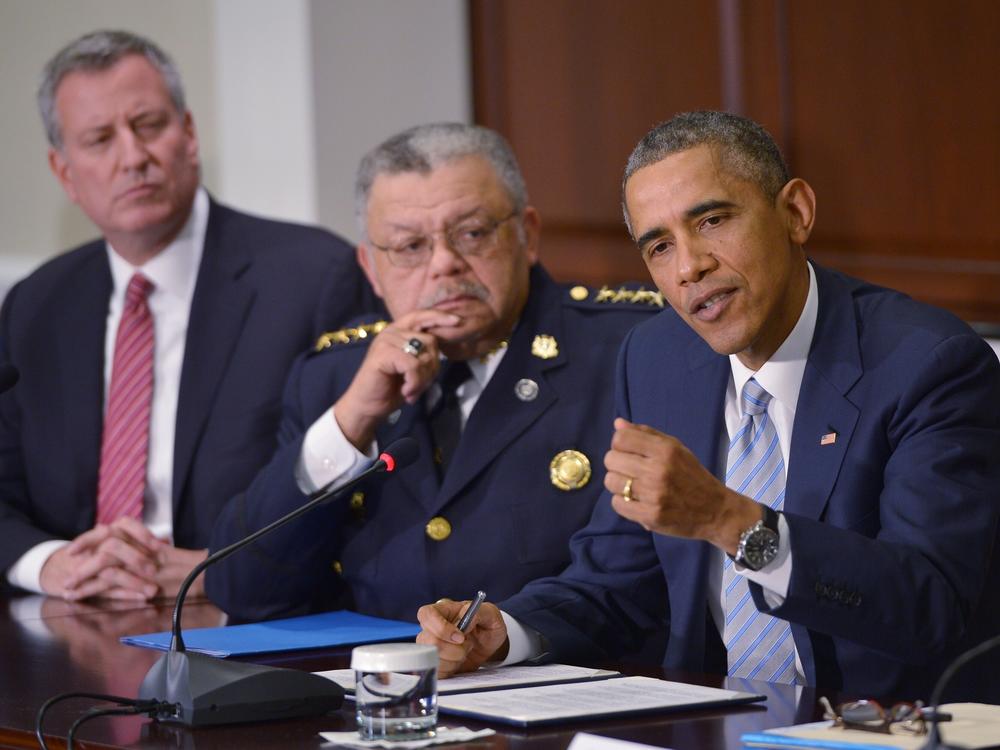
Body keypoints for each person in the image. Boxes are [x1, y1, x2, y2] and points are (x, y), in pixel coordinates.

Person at [416, 111, 1000, 701]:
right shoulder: (656, 357)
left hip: (880, 724)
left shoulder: (928, 364)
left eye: (713, 220)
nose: (689, 266)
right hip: (707, 720)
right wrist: (507, 631)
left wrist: (730, 521)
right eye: (660, 246)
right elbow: (618, 577)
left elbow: (930, 604)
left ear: (795, 213)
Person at [204, 123, 663, 623]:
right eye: (409, 247)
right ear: (370, 267)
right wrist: (351, 423)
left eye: (471, 234)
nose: (445, 263)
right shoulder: (337, 376)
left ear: (527, 236)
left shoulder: (628, 352)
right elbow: (242, 589)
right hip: (379, 693)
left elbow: (641, 588)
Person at [0, 30, 375, 603]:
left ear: (190, 134)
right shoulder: (36, 305)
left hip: (244, 620)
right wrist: (50, 565)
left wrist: (221, 569)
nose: (134, 157)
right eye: (100, 139)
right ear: (64, 172)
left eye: (149, 125)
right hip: (69, 619)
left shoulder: (312, 278)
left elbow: (354, 487)